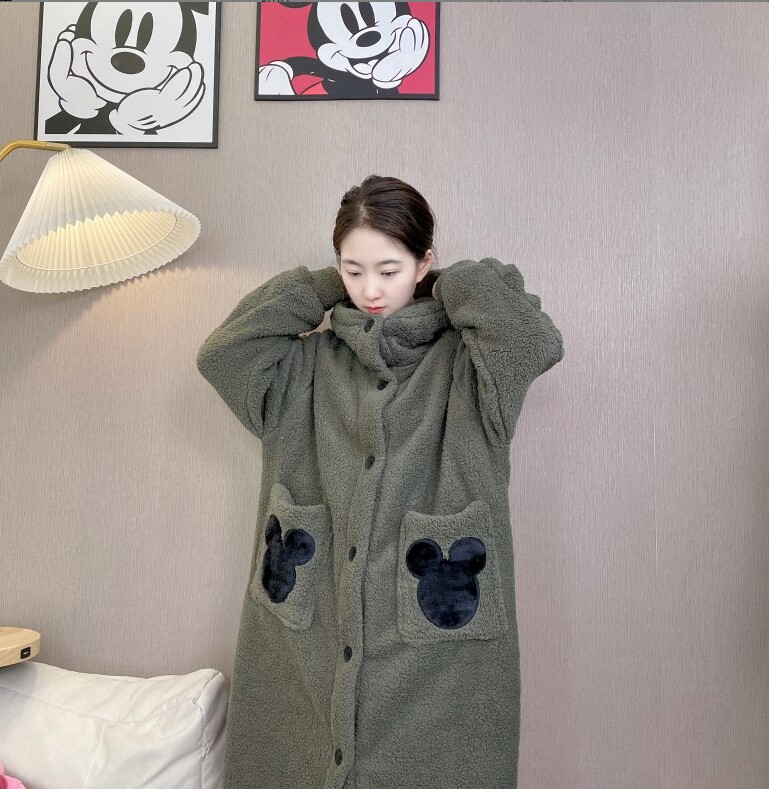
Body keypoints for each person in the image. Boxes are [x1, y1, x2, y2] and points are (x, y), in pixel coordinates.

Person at [197, 175, 564, 789]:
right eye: (352, 270)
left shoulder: (473, 373)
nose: (370, 290)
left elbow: (533, 342)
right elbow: (223, 354)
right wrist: (316, 287)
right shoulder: (301, 368)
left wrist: (452, 284)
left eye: (389, 270)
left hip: (434, 673)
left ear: (423, 263)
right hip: (305, 652)